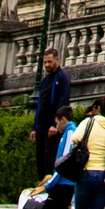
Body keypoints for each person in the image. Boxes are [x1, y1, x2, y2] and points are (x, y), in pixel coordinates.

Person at [33, 49, 73, 180]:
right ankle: (40, 182)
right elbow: (40, 104)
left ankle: (49, 184)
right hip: (41, 127)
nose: (47, 65)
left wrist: (55, 125)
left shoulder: (62, 78)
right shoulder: (45, 80)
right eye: (45, 62)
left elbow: (62, 103)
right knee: (40, 159)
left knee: (50, 157)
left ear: (57, 60)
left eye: (49, 62)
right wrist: (35, 127)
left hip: (52, 126)